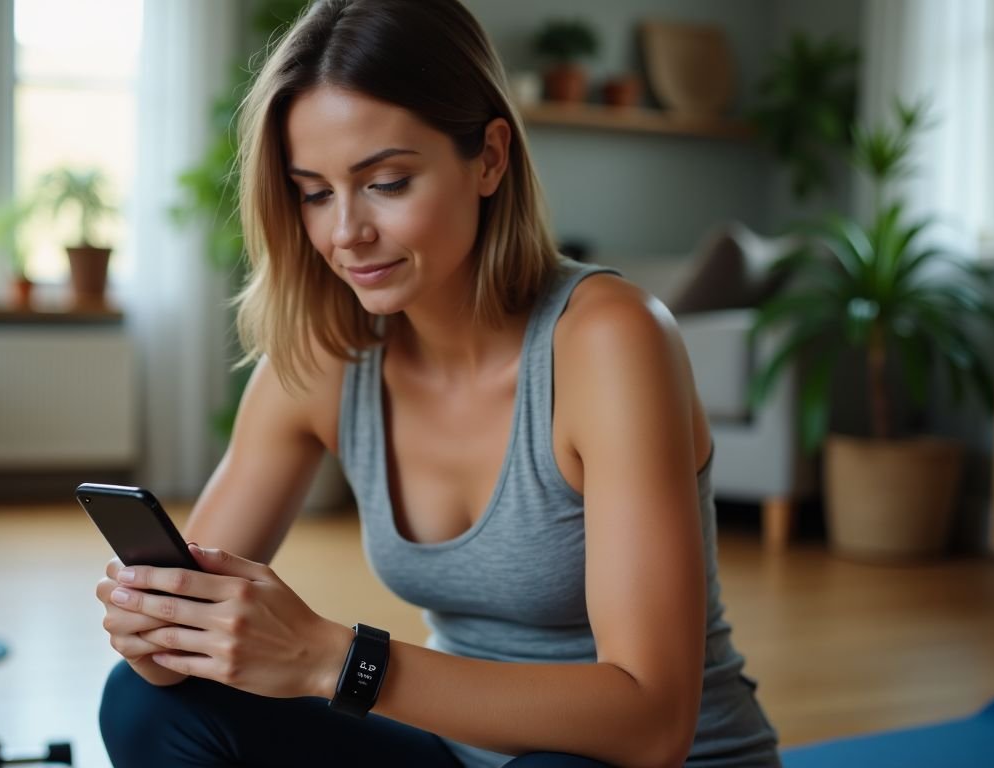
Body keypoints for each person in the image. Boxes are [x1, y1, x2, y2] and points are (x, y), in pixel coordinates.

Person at [96, 0, 780, 765]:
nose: (345, 232)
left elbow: (652, 722)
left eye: (385, 182)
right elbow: (168, 653)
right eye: (315, 192)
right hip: (465, 755)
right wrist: (159, 628)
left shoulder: (609, 340)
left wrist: (332, 657)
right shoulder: (328, 356)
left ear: (489, 158)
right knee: (147, 704)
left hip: (648, 760)